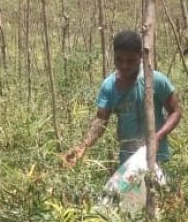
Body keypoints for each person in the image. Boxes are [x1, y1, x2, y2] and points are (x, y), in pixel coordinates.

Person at [63, 30, 182, 168]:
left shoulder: (156, 80)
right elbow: (101, 120)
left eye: (130, 61)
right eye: (119, 60)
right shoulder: (109, 86)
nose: (124, 65)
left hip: (157, 157)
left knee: (158, 189)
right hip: (128, 160)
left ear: (140, 56)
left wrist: (158, 136)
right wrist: (83, 146)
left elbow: (176, 111)